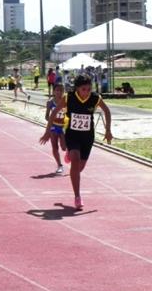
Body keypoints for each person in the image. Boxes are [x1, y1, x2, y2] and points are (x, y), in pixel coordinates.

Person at [40, 75, 112, 210]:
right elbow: (54, 112)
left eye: (89, 89)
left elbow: (107, 111)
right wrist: (47, 131)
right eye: (84, 89)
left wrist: (108, 130)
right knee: (75, 160)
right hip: (72, 135)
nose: (86, 92)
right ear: (77, 88)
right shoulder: (69, 97)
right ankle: (77, 196)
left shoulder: (95, 98)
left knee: (79, 168)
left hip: (87, 137)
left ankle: (70, 157)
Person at [45, 83, 67, 174]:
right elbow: (46, 116)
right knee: (55, 146)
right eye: (57, 90)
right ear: (54, 91)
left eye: (61, 90)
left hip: (63, 126)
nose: (59, 92)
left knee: (64, 147)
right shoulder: (50, 102)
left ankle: (69, 153)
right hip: (54, 126)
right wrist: (51, 121)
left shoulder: (66, 101)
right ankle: (59, 165)